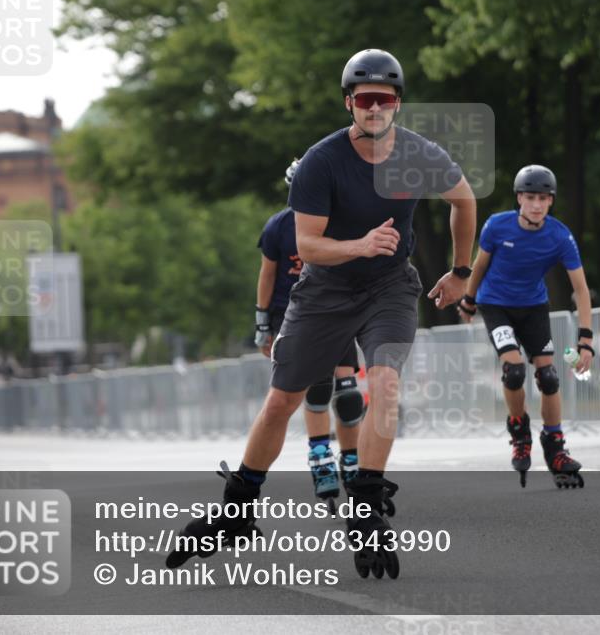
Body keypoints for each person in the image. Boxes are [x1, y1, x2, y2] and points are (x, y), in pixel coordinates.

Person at [167, 49, 477, 579]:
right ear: (349, 103)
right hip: (326, 290)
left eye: (384, 99)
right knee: (282, 401)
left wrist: (461, 271)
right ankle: (237, 508)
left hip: (390, 286)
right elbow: (307, 247)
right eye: (364, 99)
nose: (374, 108)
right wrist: (358, 245)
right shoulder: (321, 162)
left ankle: (367, 506)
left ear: (397, 103)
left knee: (384, 383)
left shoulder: (421, 153)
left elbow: (465, 201)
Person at [457, 165, 594, 489]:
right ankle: (519, 430)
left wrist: (585, 340)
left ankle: (555, 445)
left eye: (543, 198)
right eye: (530, 197)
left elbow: (581, 289)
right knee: (515, 371)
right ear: (519, 198)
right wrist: (469, 299)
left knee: (548, 376)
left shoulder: (560, 235)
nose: (536, 204)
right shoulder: (497, 226)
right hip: (496, 305)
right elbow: (480, 265)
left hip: (533, 307)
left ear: (551, 202)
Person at [254, 158, 365, 504]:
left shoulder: (340, 225)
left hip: (334, 312)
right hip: (292, 315)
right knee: (317, 388)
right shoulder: (278, 227)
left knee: (347, 395)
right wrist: (261, 324)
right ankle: (320, 457)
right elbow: (268, 276)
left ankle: (352, 461)